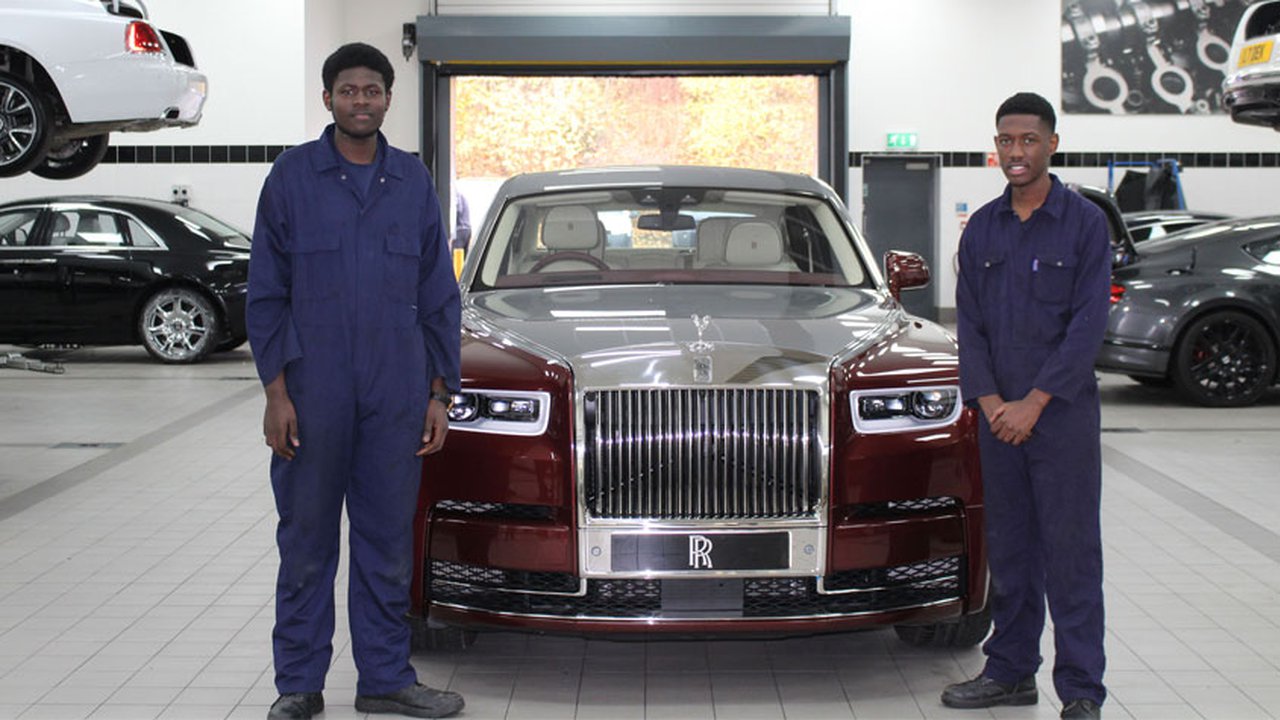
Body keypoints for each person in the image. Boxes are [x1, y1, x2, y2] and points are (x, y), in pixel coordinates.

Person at [247, 42, 464, 720]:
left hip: (395, 393)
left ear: (388, 99)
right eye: (349, 90)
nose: (361, 101)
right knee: (306, 542)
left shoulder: (411, 181)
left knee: (385, 543)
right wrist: (275, 395)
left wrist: (438, 393)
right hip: (313, 394)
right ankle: (298, 686)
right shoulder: (291, 177)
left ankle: (384, 679)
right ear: (328, 99)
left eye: (373, 90)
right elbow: (265, 293)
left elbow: (438, 297)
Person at [946, 92, 1109, 720]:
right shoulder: (983, 226)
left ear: (1051, 145)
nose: (1016, 152)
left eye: (1028, 141)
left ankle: (1082, 690)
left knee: (1070, 554)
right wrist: (991, 404)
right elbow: (971, 325)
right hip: (997, 420)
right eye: (1006, 141)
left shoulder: (1084, 224)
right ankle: (1010, 670)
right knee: (1009, 551)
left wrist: (1033, 403)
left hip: (1060, 417)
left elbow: (1087, 326)